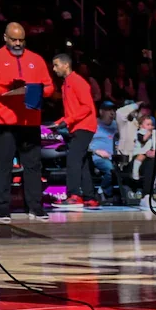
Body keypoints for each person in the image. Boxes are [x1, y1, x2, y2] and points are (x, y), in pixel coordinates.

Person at [0, 22, 55, 224]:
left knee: (33, 165)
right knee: (4, 164)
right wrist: (7, 88)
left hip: (30, 119)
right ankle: (3, 209)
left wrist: (38, 90)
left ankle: (35, 207)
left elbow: (49, 87)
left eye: (21, 40)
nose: (17, 43)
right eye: (14, 39)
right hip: (3, 120)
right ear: (5, 38)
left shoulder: (36, 59)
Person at [51, 53, 100, 209]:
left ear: (66, 65)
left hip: (84, 126)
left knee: (73, 159)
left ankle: (74, 196)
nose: (54, 69)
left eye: (56, 65)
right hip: (78, 126)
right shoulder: (66, 83)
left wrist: (67, 121)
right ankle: (89, 197)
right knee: (82, 162)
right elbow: (71, 111)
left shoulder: (78, 81)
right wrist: (58, 123)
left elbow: (87, 107)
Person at [89, 101, 118, 203]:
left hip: (114, 157)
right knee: (110, 170)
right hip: (97, 157)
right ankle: (105, 193)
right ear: (101, 112)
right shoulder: (94, 124)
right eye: (108, 110)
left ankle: (102, 191)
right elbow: (84, 143)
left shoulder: (116, 125)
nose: (112, 113)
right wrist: (96, 151)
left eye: (113, 110)